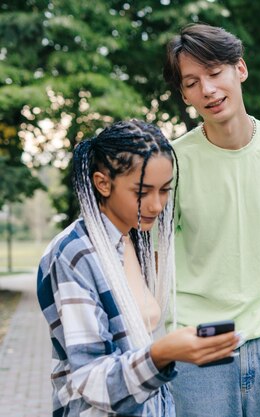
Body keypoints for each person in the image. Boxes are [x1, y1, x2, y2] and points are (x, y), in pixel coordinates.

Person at [36, 120, 239, 417]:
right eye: (143, 192)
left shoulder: (137, 239)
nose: (157, 205)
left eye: (165, 190)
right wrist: (163, 353)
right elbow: (90, 378)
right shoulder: (74, 254)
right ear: (103, 183)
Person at [162, 24, 260, 417]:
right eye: (192, 82)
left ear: (240, 69)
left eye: (214, 72)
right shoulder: (172, 162)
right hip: (198, 346)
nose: (206, 89)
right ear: (185, 93)